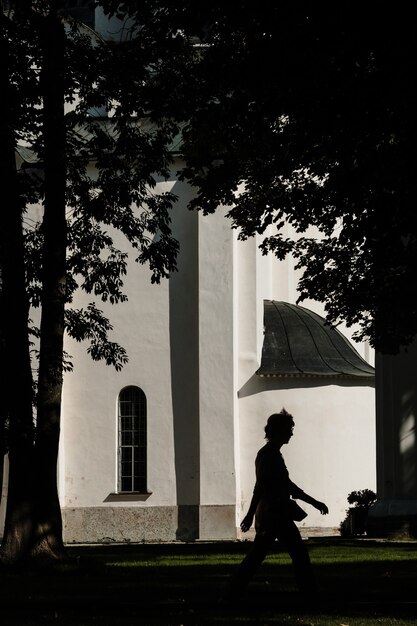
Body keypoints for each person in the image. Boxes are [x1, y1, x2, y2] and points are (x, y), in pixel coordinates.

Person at [221, 408, 328, 602]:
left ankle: (231, 594)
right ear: (279, 431)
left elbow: (259, 487)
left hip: (271, 513)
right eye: (289, 429)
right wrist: (314, 502)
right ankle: (310, 596)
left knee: (260, 556)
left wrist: (251, 513)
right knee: (297, 554)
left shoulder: (268, 454)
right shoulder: (270, 455)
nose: (292, 433)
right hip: (275, 514)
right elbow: (281, 486)